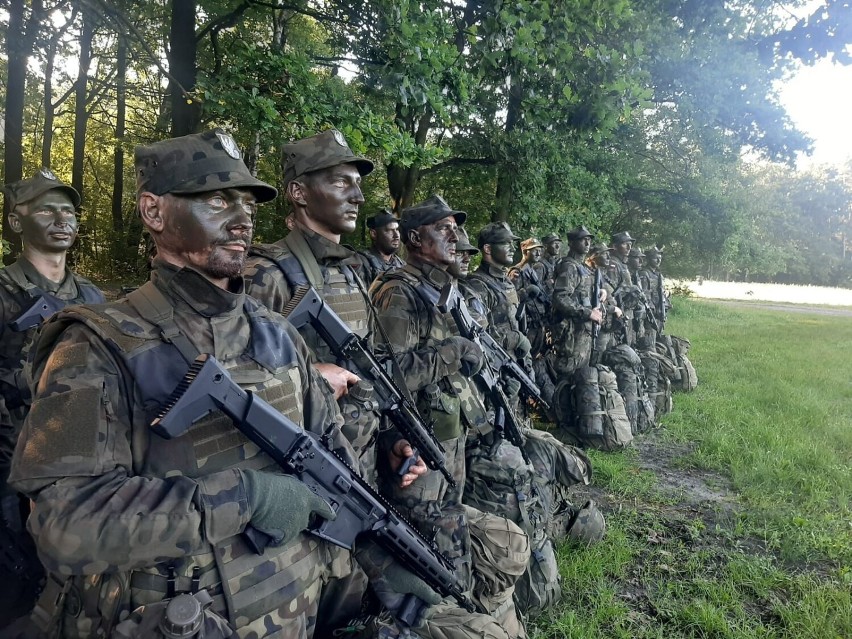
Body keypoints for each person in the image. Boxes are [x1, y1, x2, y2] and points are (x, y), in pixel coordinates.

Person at [9, 129, 438, 639]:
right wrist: (244, 496)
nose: (242, 219)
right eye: (217, 200)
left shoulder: (276, 332)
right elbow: (63, 525)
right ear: (153, 211)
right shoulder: (96, 345)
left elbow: (333, 473)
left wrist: (386, 487)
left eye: (247, 203)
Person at [243, 128, 426, 634]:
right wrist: (304, 377)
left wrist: (392, 441)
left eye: (357, 183)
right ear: (299, 192)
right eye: (341, 181)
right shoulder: (269, 275)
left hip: (357, 468)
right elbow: (234, 391)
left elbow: (369, 374)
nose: (358, 194)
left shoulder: (348, 274)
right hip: (299, 483)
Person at [371, 196, 525, 639]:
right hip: (414, 443)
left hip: (449, 438)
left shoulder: (447, 289)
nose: (456, 237)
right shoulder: (398, 290)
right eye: (445, 229)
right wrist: (454, 352)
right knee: (427, 546)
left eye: (456, 228)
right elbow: (388, 373)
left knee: (451, 532)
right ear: (416, 239)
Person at [0, 169, 106, 629]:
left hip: (80, 459)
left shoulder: (93, 297)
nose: (62, 219)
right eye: (46, 209)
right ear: (15, 222)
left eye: (69, 211)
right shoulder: (4, 291)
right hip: (12, 462)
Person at [549, 226, 602, 377]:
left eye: (589, 240)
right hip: (572, 333)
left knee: (581, 377)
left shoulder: (582, 267)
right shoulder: (569, 266)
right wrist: (588, 313)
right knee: (569, 375)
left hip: (583, 331)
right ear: (572, 243)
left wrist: (600, 293)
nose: (587, 243)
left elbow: (583, 291)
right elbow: (560, 298)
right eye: (583, 240)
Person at [356, 209, 405, 285]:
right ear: (374, 234)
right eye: (389, 230)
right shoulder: (361, 263)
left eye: (397, 230)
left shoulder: (401, 264)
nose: (396, 235)